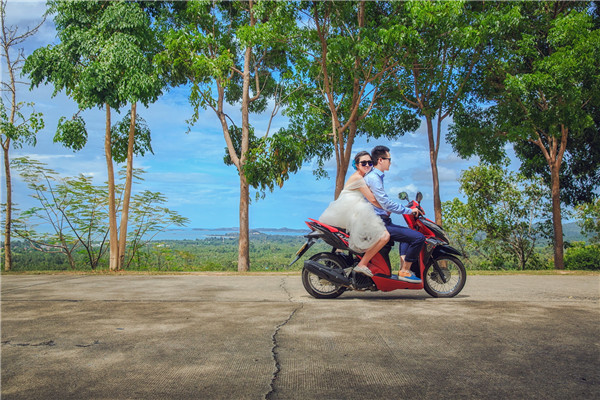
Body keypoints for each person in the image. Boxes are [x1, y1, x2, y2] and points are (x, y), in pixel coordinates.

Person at [319, 151, 391, 277]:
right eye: (364, 163)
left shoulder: (361, 176)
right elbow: (373, 199)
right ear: (357, 165)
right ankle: (362, 264)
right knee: (385, 236)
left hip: (352, 212)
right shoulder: (358, 178)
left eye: (370, 162)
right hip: (352, 213)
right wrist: (387, 209)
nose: (367, 165)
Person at [364, 145, 425, 283]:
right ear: (380, 160)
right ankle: (405, 271)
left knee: (406, 236)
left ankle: (404, 265)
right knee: (419, 238)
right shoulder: (374, 178)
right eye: (389, 159)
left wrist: (389, 210)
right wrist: (409, 210)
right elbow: (385, 203)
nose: (390, 162)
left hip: (381, 219)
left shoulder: (376, 177)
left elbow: (382, 203)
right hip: (379, 223)